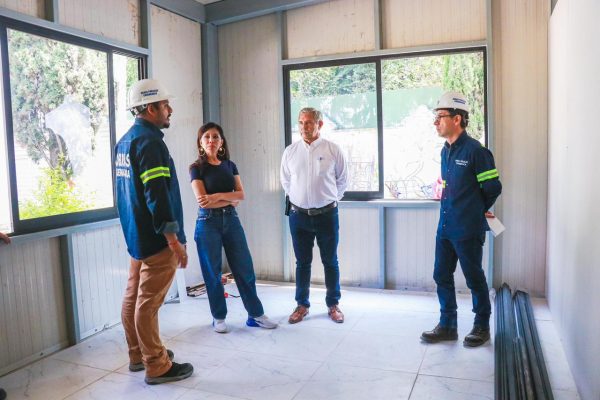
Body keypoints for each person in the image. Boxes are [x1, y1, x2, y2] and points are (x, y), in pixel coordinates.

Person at [115, 78, 193, 384]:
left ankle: (138, 354)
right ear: (150, 108)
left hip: (137, 237)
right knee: (148, 304)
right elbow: (157, 195)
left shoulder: (125, 141)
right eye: (165, 105)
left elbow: (126, 194)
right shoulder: (150, 143)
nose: (169, 110)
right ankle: (157, 365)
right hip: (157, 240)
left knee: (134, 296)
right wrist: (174, 241)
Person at [421, 91, 502, 347]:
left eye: (441, 116)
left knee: (474, 278)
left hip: (467, 229)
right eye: (435, 117)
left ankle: (481, 326)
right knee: (441, 275)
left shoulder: (476, 151)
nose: (436, 122)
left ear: (457, 119)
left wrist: (475, 210)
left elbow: (493, 188)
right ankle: (448, 325)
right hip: (445, 228)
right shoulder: (445, 151)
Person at [190, 122, 277, 333]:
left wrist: (217, 197)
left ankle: (255, 315)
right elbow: (203, 201)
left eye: (216, 137)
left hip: (231, 221)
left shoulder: (230, 165)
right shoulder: (196, 168)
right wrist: (228, 198)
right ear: (201, 142)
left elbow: (241, 195)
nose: (211, 140)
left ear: (222, 142)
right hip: (207, 222)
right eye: (207, 137)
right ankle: (218, 317)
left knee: (244, 268)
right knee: (212, 273)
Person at [280, 107, 348, 324]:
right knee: (302, 263)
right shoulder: (290, 152)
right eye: (301, 122)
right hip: (298, 216)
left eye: (309, 122)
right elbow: (286, 182)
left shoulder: (333, 150)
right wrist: (300, 201)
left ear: (320, 124)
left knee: (330, 261)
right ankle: (302, 305)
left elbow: (342, 181)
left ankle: (333, 305)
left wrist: (327, 200)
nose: (304, 127)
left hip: (327, 215)